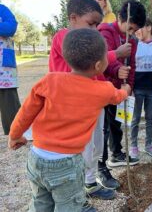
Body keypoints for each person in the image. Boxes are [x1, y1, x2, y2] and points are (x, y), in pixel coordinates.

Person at [8, 28, 130, 212]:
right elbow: (118, 96)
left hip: (37, 156)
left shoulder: (50, 80)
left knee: (40, 204)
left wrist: (15, 135)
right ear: (98, 66)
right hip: (66, 165)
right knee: (69, 207)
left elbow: (26, 112)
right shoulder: (103, 89)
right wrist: (127, 90)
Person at [49, 0, 131, 211]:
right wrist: (115, 54)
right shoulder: (63, 37)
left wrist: (115, 91)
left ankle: (91, 184)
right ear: (73, 18)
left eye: (98, 25)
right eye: (91, 23)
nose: (95, 29)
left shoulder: (89, 41)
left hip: (93, 107)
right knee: (77, 153)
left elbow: (98, 75)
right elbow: (86, 62)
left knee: (95, 147)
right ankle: (76, 199)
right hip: (73, 109)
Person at [98, 0, 146, 179]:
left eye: (135, 30)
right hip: (105, 87)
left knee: (117, 122)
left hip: (121, 90)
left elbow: (131, 65)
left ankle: (116, 152)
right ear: (120, 17)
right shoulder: (105, 32)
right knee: (103, 128)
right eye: (130, 28)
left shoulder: (133, 40)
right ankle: (101, 164)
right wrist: (117, 69)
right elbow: (103, 60)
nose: (132, 33)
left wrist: (130, 87)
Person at [129, 18, 152, 159]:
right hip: (137, 88)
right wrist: (130, 87)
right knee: (135, 118)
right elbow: (131, 67)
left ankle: (148, 145)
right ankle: (133, 146)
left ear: (149, 27)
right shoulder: (135, 46)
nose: (137, 32)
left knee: (150, 118)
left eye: (140, 28)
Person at [0, 4, 20, 135]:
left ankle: (16, 131)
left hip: (3, 67)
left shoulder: (2, 9)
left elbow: (11, 27)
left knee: (9, 102)